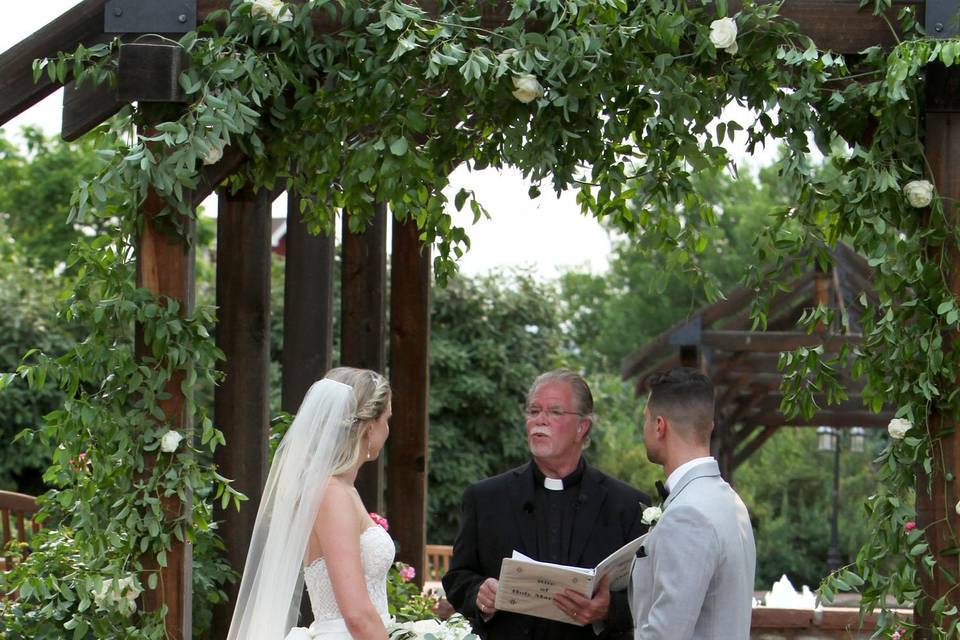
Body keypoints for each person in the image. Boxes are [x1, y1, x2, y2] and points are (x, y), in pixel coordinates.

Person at [442, 369, 650, 640]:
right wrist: (479, 592)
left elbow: (648, 594)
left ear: (582, 427)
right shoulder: (485, 498)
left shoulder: (628, 505)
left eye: (554, 412)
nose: (540, 420)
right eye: (534, 411)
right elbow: (458, 577)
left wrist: (608, 610)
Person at [227, 367, 393, 640]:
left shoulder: (342, 489)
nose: (387, 429)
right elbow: (356, 616)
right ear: (370, 426)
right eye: (387, 419)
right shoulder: (332, 493)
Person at [629, 367, 755, 640]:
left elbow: (666, 634)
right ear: (709, 426)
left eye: (646, 419)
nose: (644, 428)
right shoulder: (729, 500)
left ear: (660, 426)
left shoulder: (687, 514)